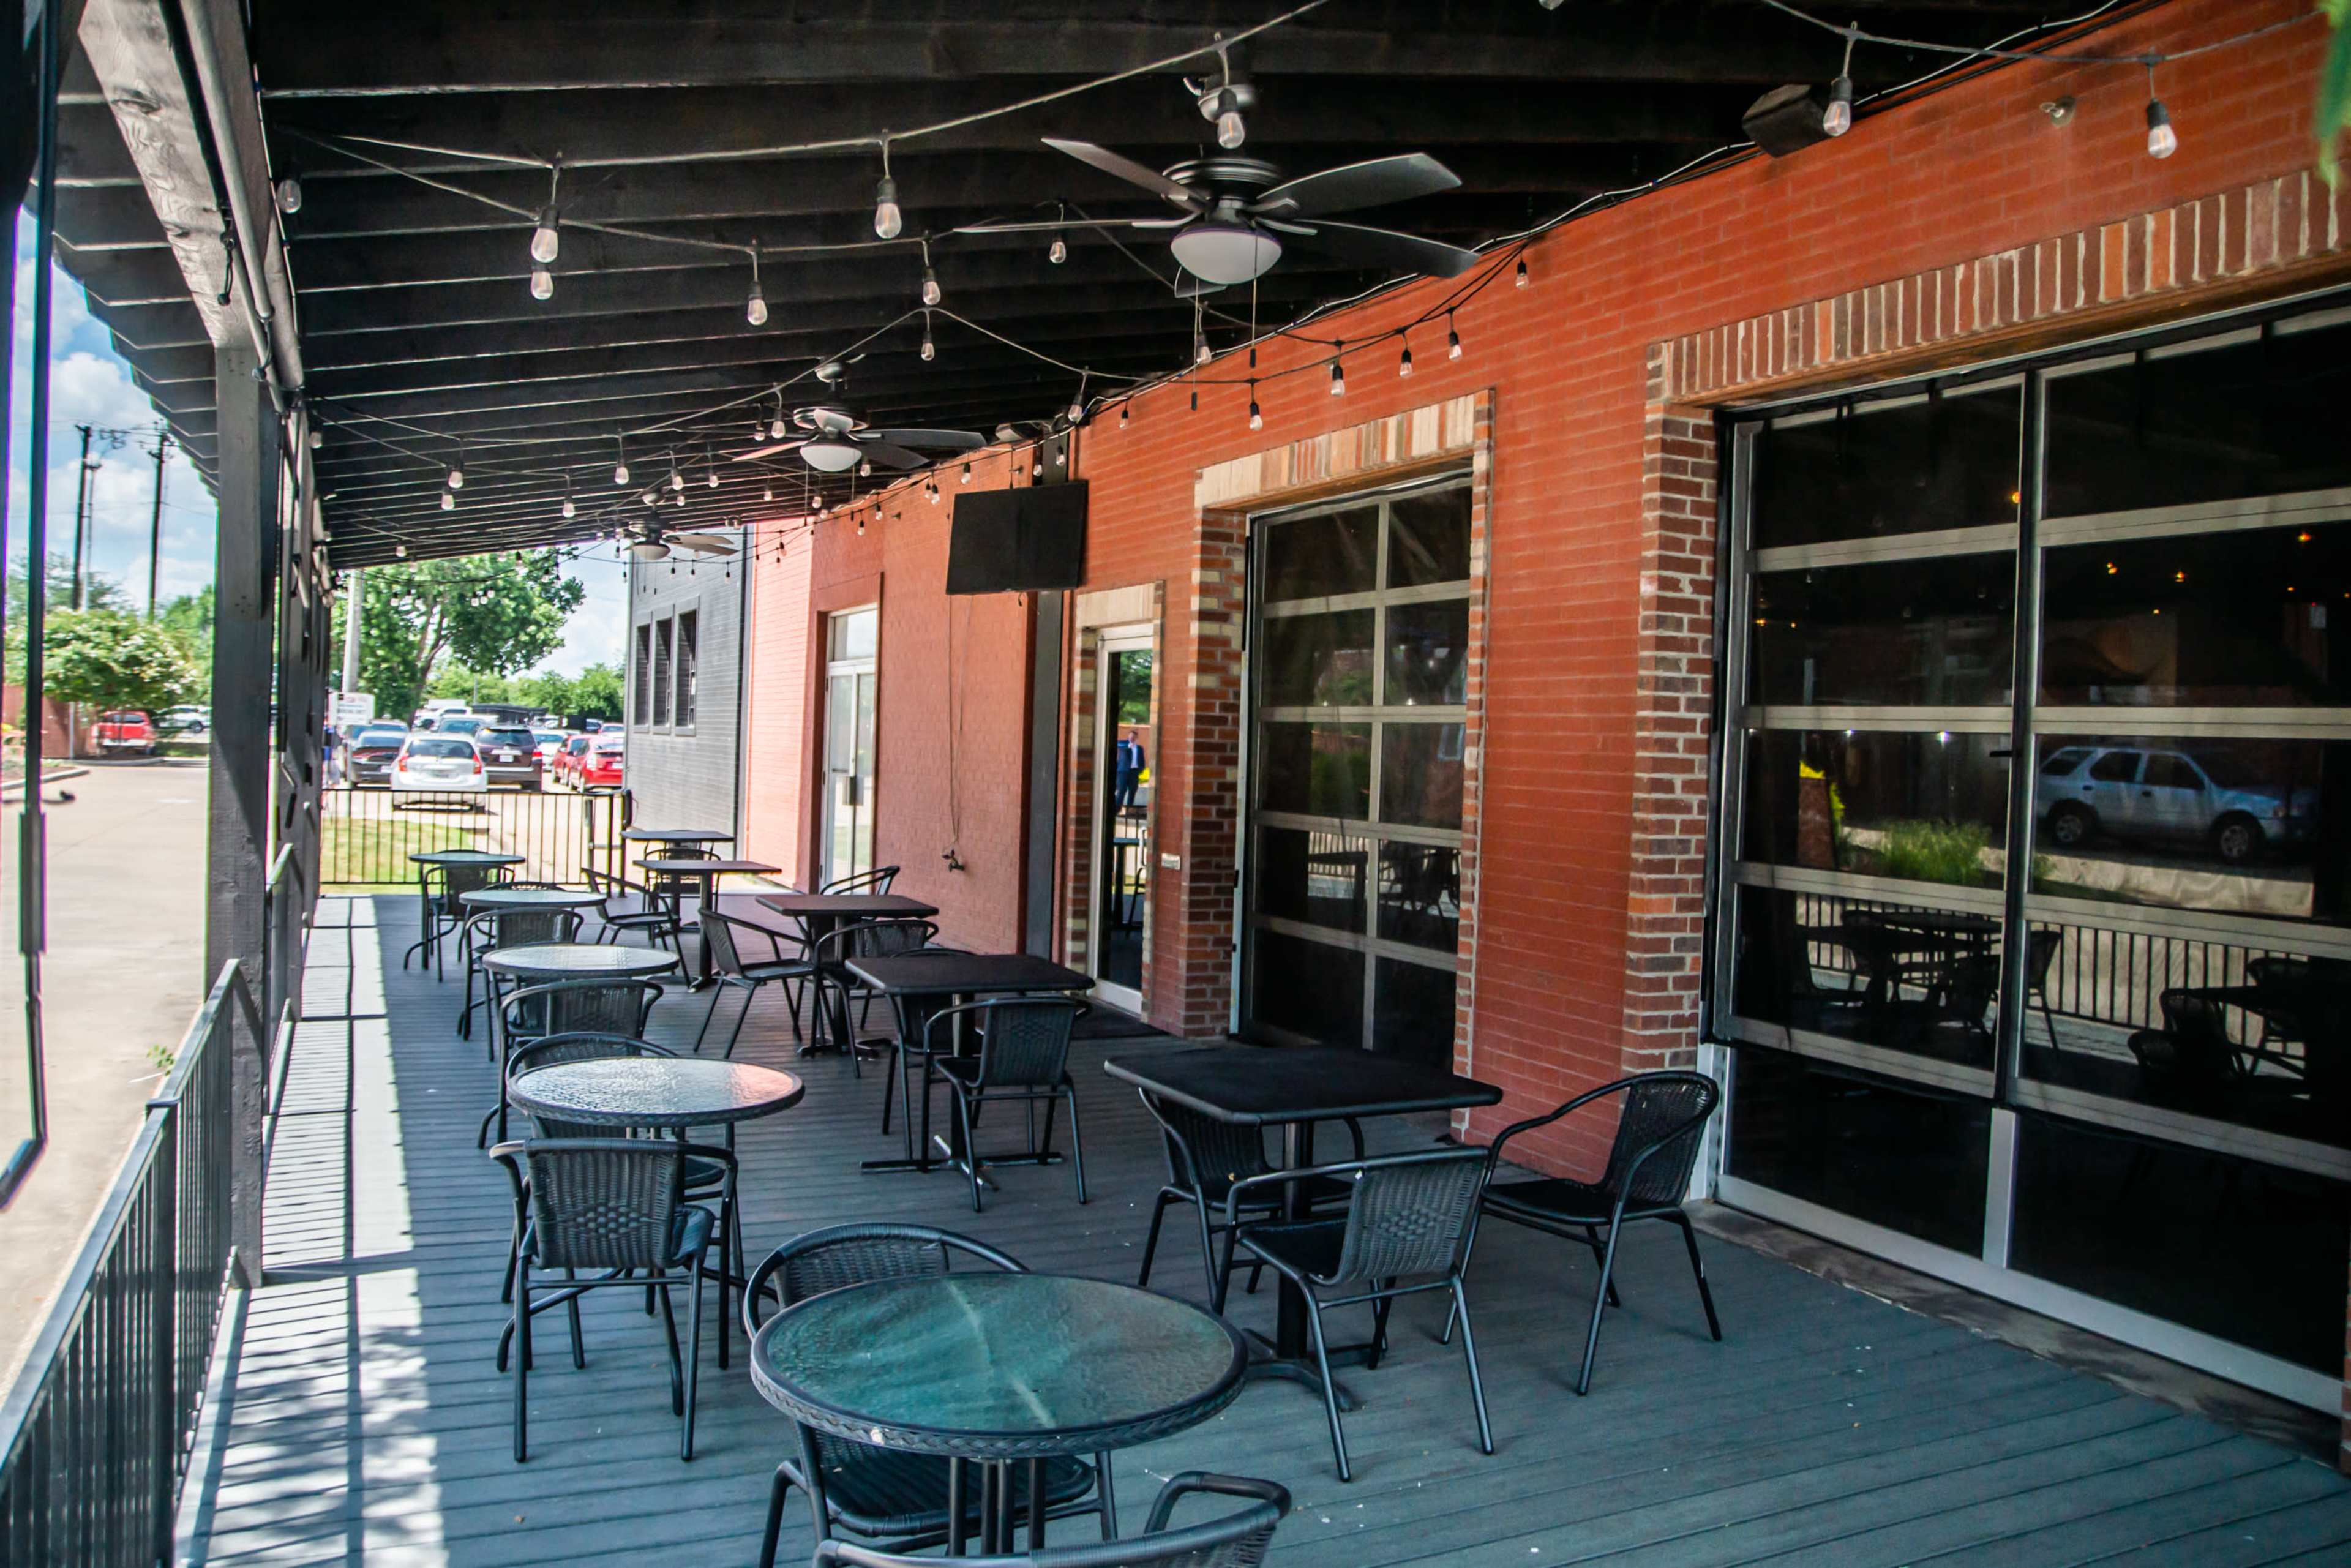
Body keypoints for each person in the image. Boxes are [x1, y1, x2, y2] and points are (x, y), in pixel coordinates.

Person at [1114, 733, 1144, 812]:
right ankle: (1117, 809)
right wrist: (1128, 746)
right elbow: (1119, 746)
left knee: (1133, 790)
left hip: (1134, 772)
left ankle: (1129, 809)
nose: (1132, 738)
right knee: (1121, 790)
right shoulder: (1123, 744)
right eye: (1131, 736)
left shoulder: (1139, 748)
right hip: (1123, 772)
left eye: (1134, 737)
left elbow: (1142, 759)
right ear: (1128, 736)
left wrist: (1141, 769)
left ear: (1136, 737)